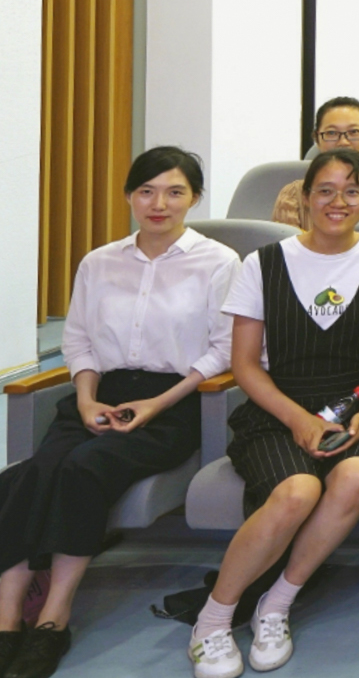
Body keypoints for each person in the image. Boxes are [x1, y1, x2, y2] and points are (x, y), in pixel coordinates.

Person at [0, 148, 235, 678]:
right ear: (129, 195)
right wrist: (86, 400)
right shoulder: (99, 261)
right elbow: (78, 340)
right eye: (146, 191)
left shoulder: (219, 262)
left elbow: (222, 350)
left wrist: (156, 404)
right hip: (100, 393)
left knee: (83, 468)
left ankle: (54, 618)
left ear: (195, 198)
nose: (159, 204)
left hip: (174, 402)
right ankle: (7, 620)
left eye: (175, 192)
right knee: (30, 473)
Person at [190, 149, 359, 678]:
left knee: (356, 475)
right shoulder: (263, 263)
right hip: (277, 406)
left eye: (352, 191)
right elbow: (244, 365)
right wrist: (298, 419)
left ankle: (276, 604)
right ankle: (214, 619)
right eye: (325, 190)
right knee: (298, 491)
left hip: (353, 407)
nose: (338, 202)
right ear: (304, 198)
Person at [272, 99, 359, 227]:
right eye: (331, 133)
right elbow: (288, 243)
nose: (343, 142)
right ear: (317, 139)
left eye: (354, 132)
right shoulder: (293, 194)